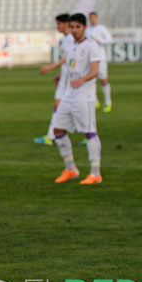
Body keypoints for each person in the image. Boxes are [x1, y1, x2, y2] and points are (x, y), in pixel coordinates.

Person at [50, 13, 103, 185]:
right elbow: (69, 67)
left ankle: (95, 173)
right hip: (68, 96)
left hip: (84, 96)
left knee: (89, 133)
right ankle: (71, 168)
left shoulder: (91, 46)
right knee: (57, 130)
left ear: (84, 27)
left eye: (77, 27)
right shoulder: (70, 46)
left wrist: (82, 79)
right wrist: (60, 77)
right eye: (71, 27)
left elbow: (95, 71)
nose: (74, 30)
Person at [35, 13, 74, 146]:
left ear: (66, 24)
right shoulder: (65, 39)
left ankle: (88, 133)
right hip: (65, 76)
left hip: (72, 77)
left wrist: (51, 67)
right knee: (58, 106)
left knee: (72, 107)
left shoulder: (71, 38)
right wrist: (60, 74)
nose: (57, 26)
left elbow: (69, 57)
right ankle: (52, 136)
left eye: (58, 24)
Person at [86, 12, 113, 112]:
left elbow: (109, 40)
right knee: (90, 80)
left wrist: (98, 40)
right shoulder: (87, 30)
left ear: (96, 18)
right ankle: (95, 101)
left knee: (103, 80)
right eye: (90, 18)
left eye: (93, 18)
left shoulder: (102, 28)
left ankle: (108, 103)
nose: (92, 20)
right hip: (90, 58)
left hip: (101, 58)